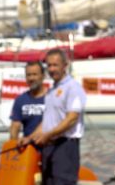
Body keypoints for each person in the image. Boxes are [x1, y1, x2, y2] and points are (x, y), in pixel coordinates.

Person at [22, 49, 87, 185]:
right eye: (49, 65)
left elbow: (72, 119)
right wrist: (30, 137)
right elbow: (47, 121)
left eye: (55, 65)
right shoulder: (52, 90)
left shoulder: (73, 88)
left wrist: (48, 135)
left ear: (65, 65)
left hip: (65, 146)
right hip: (49, 147)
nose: (51, 69)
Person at [9, 61, 47, 141]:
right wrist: (13, 144)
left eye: (34, 74)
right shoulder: (20, 100)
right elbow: (15, 126)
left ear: (43, 76)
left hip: (49, 148)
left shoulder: (51, 98)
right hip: (28, 149)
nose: (31, 78)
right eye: (28, 75)